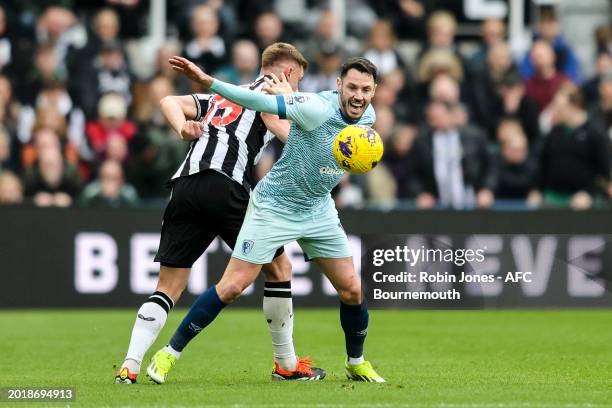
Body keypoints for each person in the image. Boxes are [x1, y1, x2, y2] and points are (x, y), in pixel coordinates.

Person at [146, 55, 385, 384]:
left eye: (366, 89)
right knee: (232, 287)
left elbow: (304, 138)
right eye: (353, 87)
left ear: (374, 91)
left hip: (318, 208)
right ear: (339, 85)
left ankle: (356, 362)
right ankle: (169, 353)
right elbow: (256, 100)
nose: (359, 95)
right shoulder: (315, 106)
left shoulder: (368, 117)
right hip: (274, 206)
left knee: (352, 290)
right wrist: (207, 80)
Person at [114, 43, 321, 384]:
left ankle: (129, 366)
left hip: (185, 185)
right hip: (226, 186)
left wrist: (183, 127)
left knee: (168, 286)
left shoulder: (223, 96)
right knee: (280, 267)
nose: (297, 87)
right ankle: (286, 365)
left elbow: (169, 101)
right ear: (289, 72)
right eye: (298, 79)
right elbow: (279, 124)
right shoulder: (275, 96)